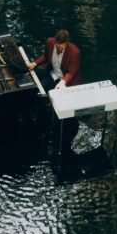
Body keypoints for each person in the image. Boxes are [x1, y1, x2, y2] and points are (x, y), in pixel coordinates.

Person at [26, 29, 81, 157]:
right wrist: (34, 63)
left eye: (61, 47)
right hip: (52, 76)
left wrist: (62, 83)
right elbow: (46, 56)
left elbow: (72, 73)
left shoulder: (75, 52)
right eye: (57, 46)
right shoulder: (50, 42)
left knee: (61, 108)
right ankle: (38, 118)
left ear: (67, 42)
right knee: (40, 93)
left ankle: (59, 128)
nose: (59, 49)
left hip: (66, 81)